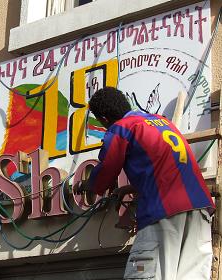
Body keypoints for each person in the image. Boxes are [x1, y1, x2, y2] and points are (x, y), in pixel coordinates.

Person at [82, 87, 215, 279]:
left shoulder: (123, 127)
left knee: (145, 274)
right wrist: (130, 187)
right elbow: (167, 170)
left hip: (163, 213)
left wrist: (89, 185)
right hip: (199, 212)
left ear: (103, 118)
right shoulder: (161, 122)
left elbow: (107, 169)